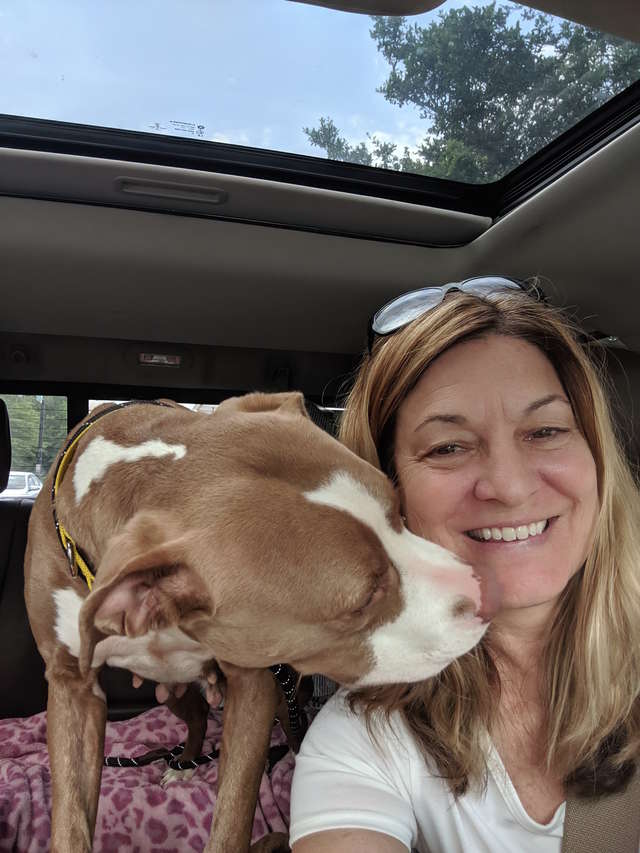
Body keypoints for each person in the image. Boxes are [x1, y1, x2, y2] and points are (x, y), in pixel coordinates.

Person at [289, 277, 640, 853]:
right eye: (448, 447)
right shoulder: (363, 741)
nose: (508, 485)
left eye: (546, 431)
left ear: (597, 458)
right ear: (388, 495)